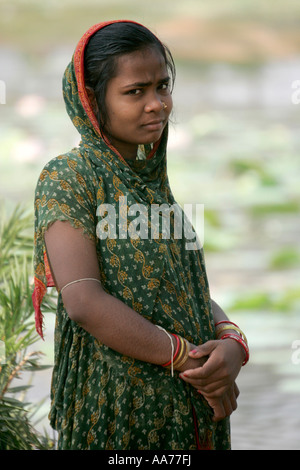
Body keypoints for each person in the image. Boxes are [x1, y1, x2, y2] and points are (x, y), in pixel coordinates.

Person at [32, 20, 249, 451]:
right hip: (118, 408)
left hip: (189, 409)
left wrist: (231, 343)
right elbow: (84, 302)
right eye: (135, 92)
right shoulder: (71, 177)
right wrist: (192, 360)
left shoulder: (151, 185)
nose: (158, 105)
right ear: (92, 100)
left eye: (162, 87)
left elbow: (183, 290)